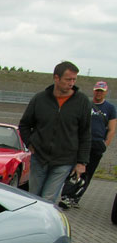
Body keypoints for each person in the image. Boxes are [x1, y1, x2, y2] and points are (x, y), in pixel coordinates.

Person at [18, 61, 92, 204]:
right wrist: (30, 143)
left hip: (64, 160)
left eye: (74, 79)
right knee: (33, 196)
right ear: (56, 78)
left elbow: (85, 133)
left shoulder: (82, 101)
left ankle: (45, 225)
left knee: (48, 198)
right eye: (68, 79)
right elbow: (25, 124)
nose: (71, 83)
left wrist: (82, 162)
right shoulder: (39, 99)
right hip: (39, 157)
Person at [59, 81, 115, 208]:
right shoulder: (86, 104)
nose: (98, 93)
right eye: (97, 90)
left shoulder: (110, 108)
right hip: (82, 142)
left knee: (88, 173)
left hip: (97, 144)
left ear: (105, 92)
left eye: (101, 91)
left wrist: (105, 144)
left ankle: (76, 197)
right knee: (75, 169)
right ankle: (66, 196)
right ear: (94, 91)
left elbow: (112, 129)